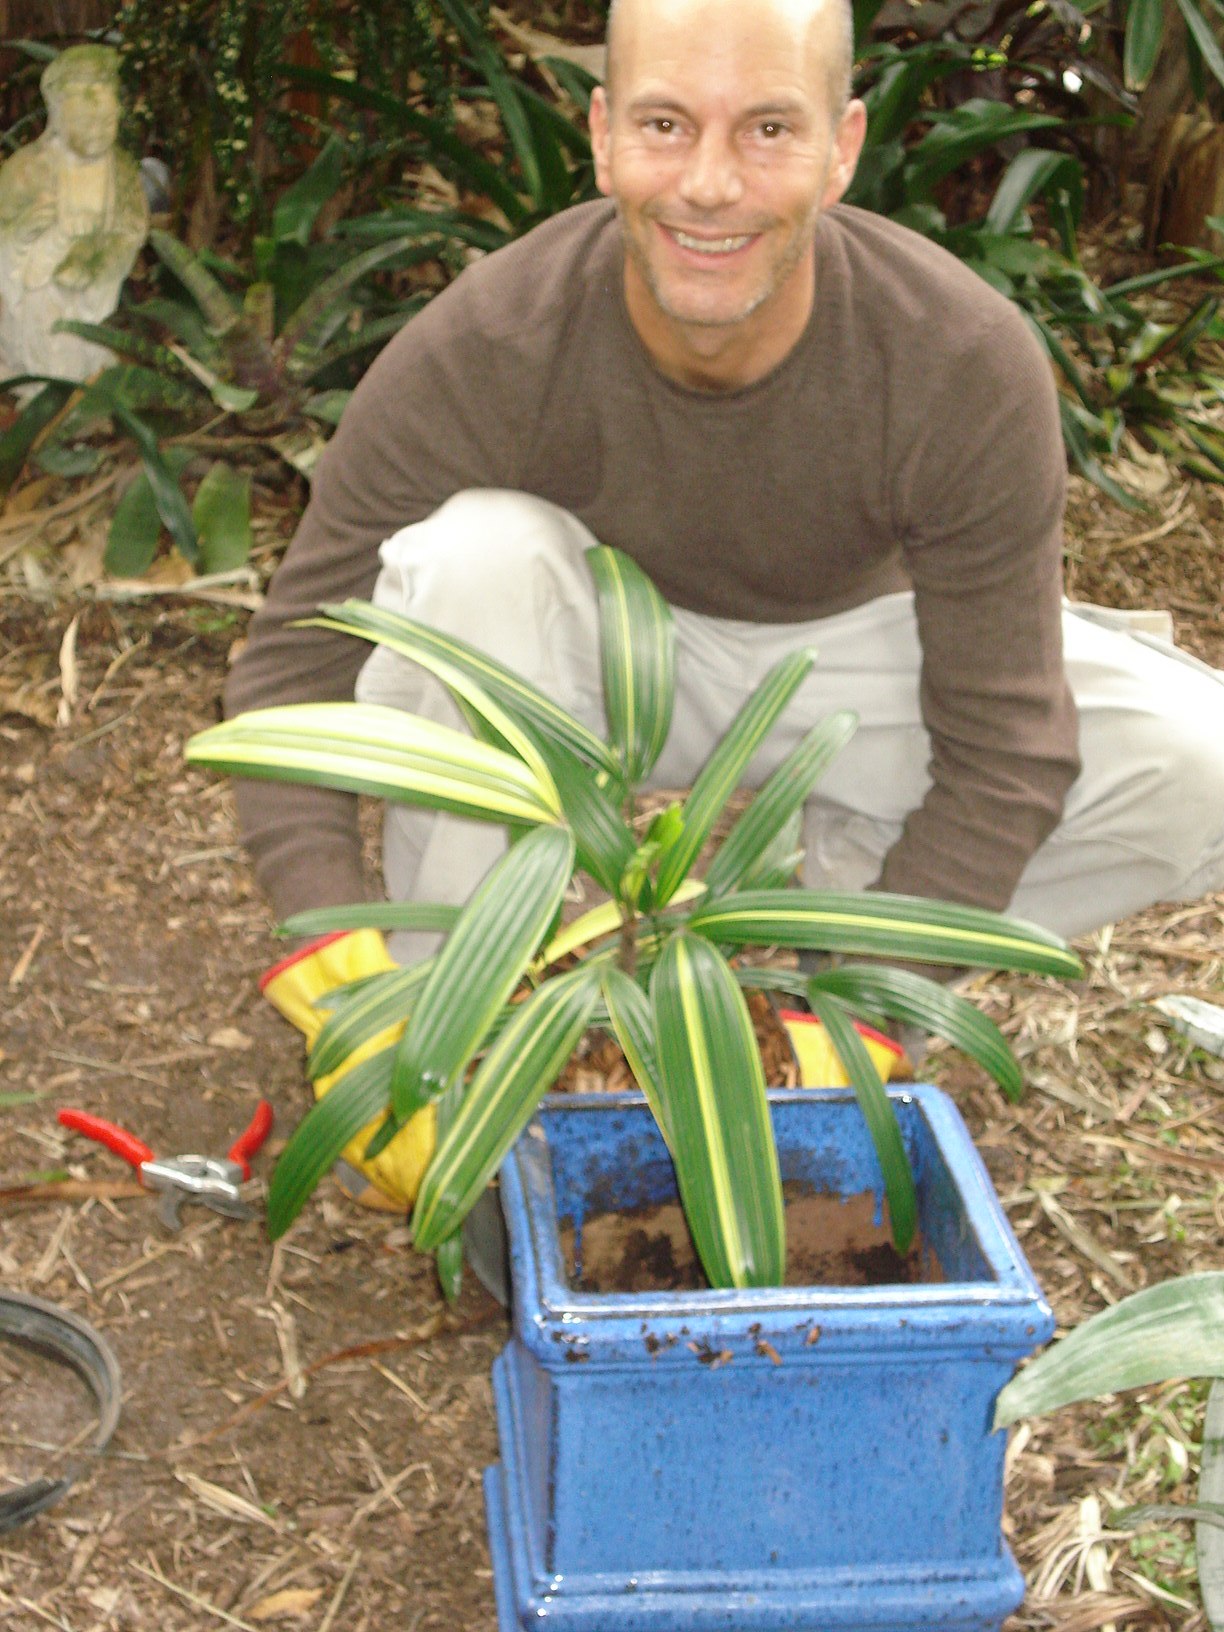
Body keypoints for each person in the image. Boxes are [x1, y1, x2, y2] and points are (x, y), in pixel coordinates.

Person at [233, 0, 1224, 1208]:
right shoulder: (490, 341)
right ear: (601, 137)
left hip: (850, 668)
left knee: (1196, 761)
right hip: (586, 661)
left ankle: (830, 963)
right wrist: (333, 957)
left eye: (768, 129)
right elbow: (293, 671)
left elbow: (1006, 746)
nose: (709, 185)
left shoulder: (959, 358)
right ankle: (450, 1026)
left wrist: (861, 1009)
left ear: (842, 148)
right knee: (471, 559)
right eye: (665, 125)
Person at [0, 45, 148, 382]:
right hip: (37, 307)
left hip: (94, 300)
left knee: (90, 357)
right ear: (58, 114)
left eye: (106, 121)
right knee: (48, 358)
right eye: (85, 121)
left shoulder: (123, 172)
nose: (97, 130)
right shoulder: (26, 170)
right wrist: (22, 232)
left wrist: (99, 260)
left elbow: (133, 229)